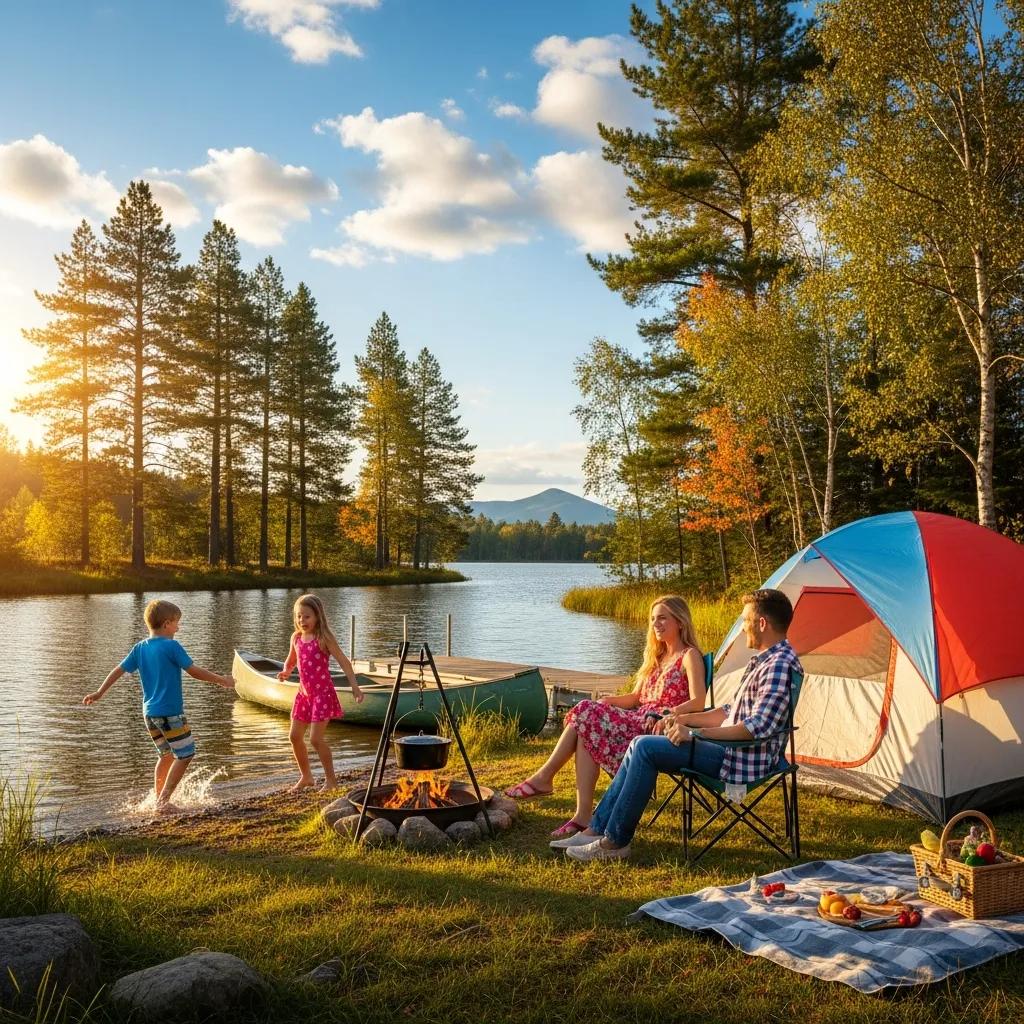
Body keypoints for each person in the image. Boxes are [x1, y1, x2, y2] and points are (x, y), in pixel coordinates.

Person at [558, 588, 802, 862]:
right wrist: (680, 718)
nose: (743, 628)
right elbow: (729, 711)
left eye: (745, 621)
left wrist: (696, 734)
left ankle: (614, 841)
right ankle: (596, 829)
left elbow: (755, 727)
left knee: (646, 748)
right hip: (730, 750)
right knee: (641, 744)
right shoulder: (764, 661)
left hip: (740, 758)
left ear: (762, 623)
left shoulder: (779, 664)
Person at [505, 595, 706, 839]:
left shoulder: (689, 655)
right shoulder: (656, 657)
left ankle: (546, 780)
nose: (656, 624)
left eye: (663, 618)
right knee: (586, 722)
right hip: (638, 718)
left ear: (680, 622)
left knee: (585, 715)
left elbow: (699, 701)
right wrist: (608, 701)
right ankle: (581, 815)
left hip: (657, 726)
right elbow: (635, 698)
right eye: (653, 619)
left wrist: (671, 713)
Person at [82, 598, 235, 815]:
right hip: (170, 713)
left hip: (149, 714)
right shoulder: (171, 646)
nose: (178, 627)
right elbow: (193, 671)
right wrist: (222, 680)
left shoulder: (140, 648)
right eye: (176, 623)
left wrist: (99, 692)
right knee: (186, 754)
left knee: (166, 756)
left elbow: (119, 670)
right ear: (166, 624)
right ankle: (163, 801)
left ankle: (157, 798)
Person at [278, 593, 364, 793]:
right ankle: (306, 777)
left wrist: (355, 687)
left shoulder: (323, 638)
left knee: (316, 739)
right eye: (299, 616)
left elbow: (344, 661)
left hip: (322, 695)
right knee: (294, 736)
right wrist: (286, 671)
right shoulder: (296, 637)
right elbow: (291, 661)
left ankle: (331, 781)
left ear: (317, 616)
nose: (302, 620)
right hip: (304, 695)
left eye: (307, 616)